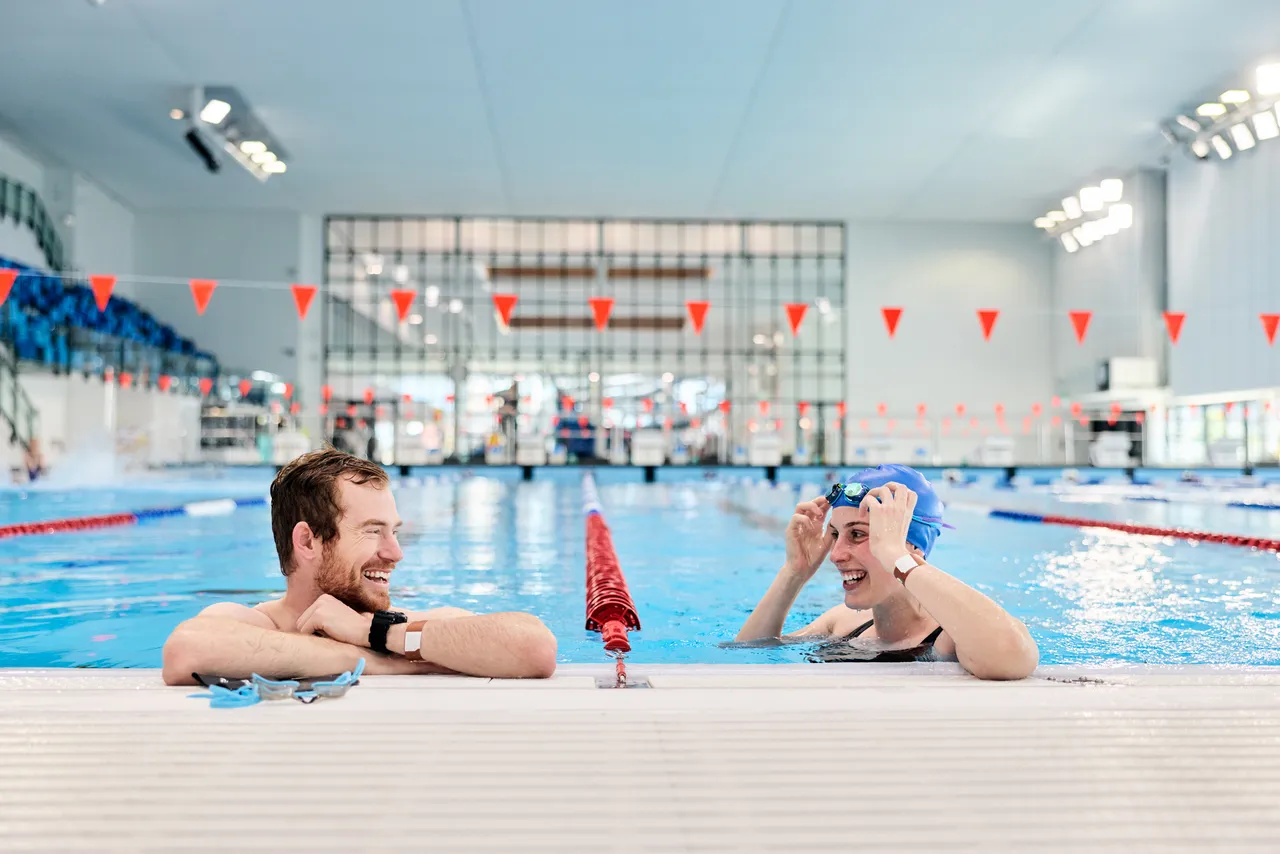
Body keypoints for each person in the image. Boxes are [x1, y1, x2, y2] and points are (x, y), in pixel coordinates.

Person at [162, 447, 557, 685]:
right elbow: (186, 650)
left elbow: (535, 646)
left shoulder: (397, 628)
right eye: (373, 532)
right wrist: (375, 659)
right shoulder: (255, 623)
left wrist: (373, 632)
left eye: (395, 532)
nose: (395, 553)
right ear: (307, 541)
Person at [735, 464, 1038, 680]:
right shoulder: (842, 622)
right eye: (835, 535)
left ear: (912, 544)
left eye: (857, 534)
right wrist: (794, 573)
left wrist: (895, 556)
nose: (836, 555)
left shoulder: (948, 637)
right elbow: (747, 655)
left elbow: (1014, 656)